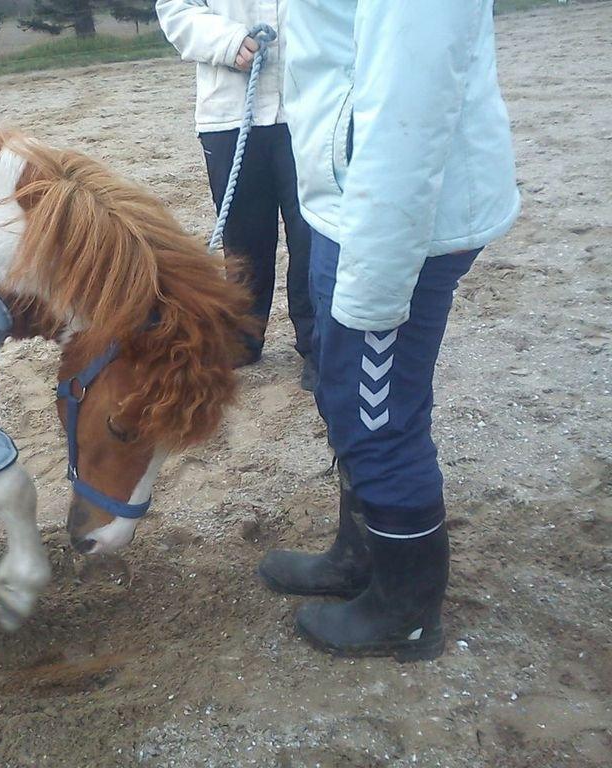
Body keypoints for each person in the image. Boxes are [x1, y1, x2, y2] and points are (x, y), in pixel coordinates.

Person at [258, 2, 520, 660]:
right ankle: (362, 554)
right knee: (345, 394)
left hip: (394, 214)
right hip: (350, 201)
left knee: (378, 416)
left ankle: (406, 611)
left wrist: (374, 284)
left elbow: (414, 98)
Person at [156, 0, 316, 387]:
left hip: (310, 109)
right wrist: (227, 41)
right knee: (242, 235)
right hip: (228, 113)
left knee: (312, 232)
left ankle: (318, 343)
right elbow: (176, 8)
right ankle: (242, 335)